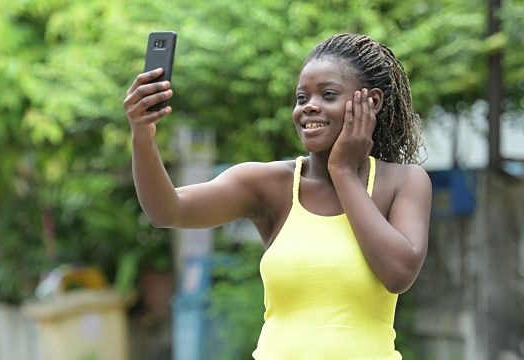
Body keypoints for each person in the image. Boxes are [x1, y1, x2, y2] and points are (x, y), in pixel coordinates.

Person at [123, 33, 432, 359]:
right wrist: (142, 137)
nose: (310, 106)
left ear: (371, 102)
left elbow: (398, 273)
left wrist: (343, 172)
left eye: (328, 94)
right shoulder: (270, 184)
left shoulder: (403, 182)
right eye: (301, 98)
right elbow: (167, 211)